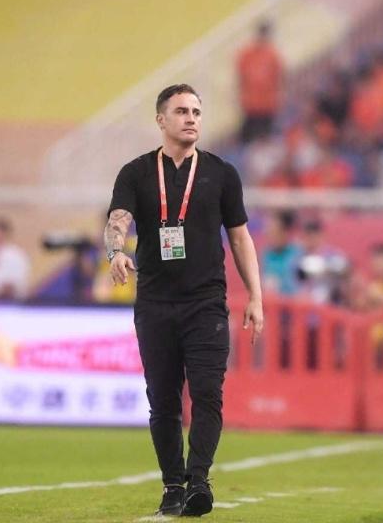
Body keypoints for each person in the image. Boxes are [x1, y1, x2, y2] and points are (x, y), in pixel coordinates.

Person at [105, 84, 264, 517]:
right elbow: (118, 220)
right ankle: (172, 484)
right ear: (161, 120)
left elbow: (240, 237)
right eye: (181, 111)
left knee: (209, 393)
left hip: (206, 303)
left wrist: (255, 295)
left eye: (196, 111)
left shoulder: (221, 173)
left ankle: (199, 481)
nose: (191, 118)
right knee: (163, 400)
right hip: (155, 304)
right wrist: (115, 252)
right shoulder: (136, 173)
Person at [236, 21, 283, 144]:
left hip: (268, 104)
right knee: (247, 138)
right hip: (251, 104)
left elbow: (279, 79)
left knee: (266, 137)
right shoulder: (247, 54)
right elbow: (241, 78)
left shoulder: (273, 56)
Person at [260, 210, 302, 296]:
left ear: (285, 232)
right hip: (272, 301)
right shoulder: (267, 255)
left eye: (275, 233)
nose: (271, 236)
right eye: (269, 233)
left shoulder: (298, 254)